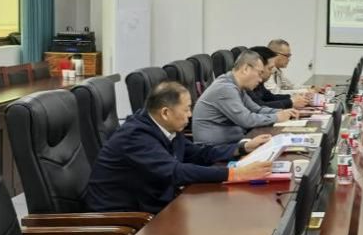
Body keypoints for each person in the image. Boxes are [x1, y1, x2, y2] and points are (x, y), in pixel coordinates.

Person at [85, 81, 273, 214]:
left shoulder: (163, 127)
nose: (190, 115)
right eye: (186, 109)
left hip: (153, 203)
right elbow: (175, 172)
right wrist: (236, 174)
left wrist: (244, 147)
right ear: (165, 113)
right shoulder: (135, 136)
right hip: (124, 220)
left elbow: (198, 153)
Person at [192, 50, 297, 144]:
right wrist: (276, 117)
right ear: (246, 69)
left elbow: (257, 109)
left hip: (232, 143)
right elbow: (247, 120)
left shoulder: (236, 86)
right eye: (259, 73)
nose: (260, 79)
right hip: (215, 149)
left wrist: (282, 112)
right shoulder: (225, 88)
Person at [248, 46, 308, 110]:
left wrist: (293, 98)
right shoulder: (246, 86)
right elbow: (259, 107)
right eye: (270, 68)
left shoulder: (259, 83)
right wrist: (291, 102)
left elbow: (270, 97)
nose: (272, 72)